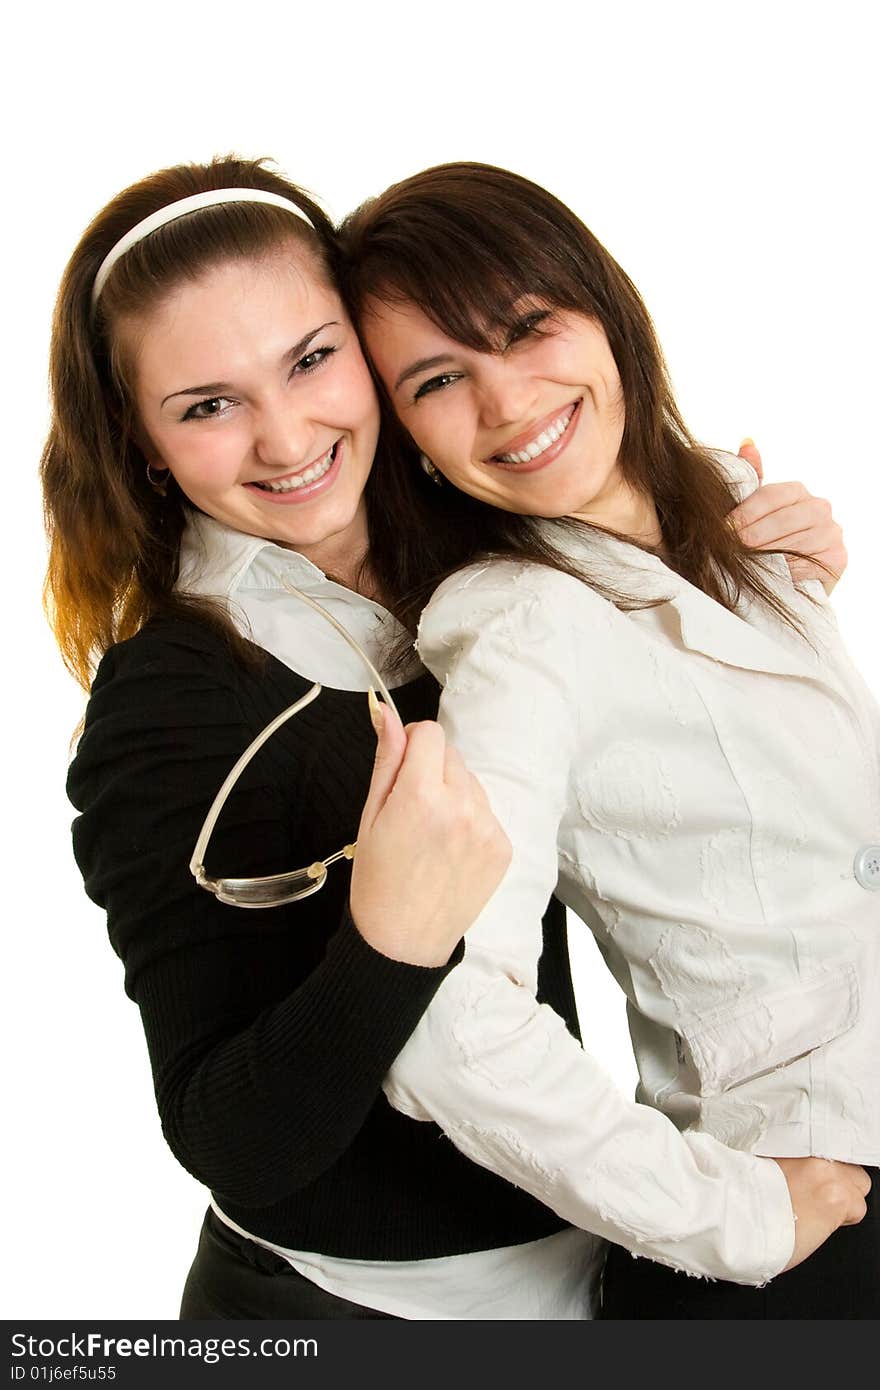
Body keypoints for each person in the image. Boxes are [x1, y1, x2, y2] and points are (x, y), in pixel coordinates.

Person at [43, 156, 861, 1322]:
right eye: (209, 405)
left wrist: (758, 568)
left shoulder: (471, 537)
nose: (285, 438)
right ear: (141, 440)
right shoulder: (172, 699)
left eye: (312, 361)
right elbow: (230, 1134)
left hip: (594, 1241)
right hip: (356, 1313)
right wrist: (389, 939)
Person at [335, 161, 878, 1318]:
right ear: (409, 438)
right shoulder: (518, 628)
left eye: (528, 326)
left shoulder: (733, 505)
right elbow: (441, 1025)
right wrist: (725, 1214)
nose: (509, 401)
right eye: (439, 379)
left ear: (607, 308)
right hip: (812, 1205)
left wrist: (794, 575)